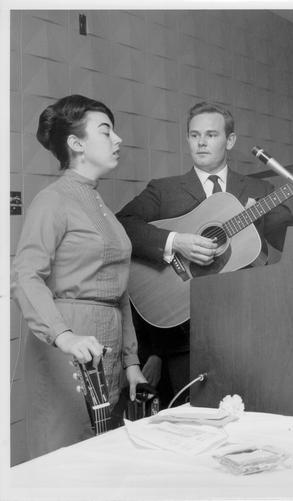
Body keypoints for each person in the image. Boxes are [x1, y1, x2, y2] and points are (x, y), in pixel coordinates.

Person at [116, 101, 293, 406]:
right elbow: (121, 225)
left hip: (246, 327)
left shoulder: (257, 188)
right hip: (183, 334)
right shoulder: (164, 190)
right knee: (192, 421)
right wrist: (176, 241)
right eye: (194, 135)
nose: (201, 142)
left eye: (211, 135)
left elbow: (289, 239)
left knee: (252, 413)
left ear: (230, 140)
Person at [11, 94, 147, 459]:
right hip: (68, 342)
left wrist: (132, 362)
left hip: (109, 347)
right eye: (106, 131)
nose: (117, 139)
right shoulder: (52, 200)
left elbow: (119, 291)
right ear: (76, 144)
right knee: (66, 454)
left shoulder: (103, 208)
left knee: (102, 458)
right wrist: (64, 336)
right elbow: (25, 276)